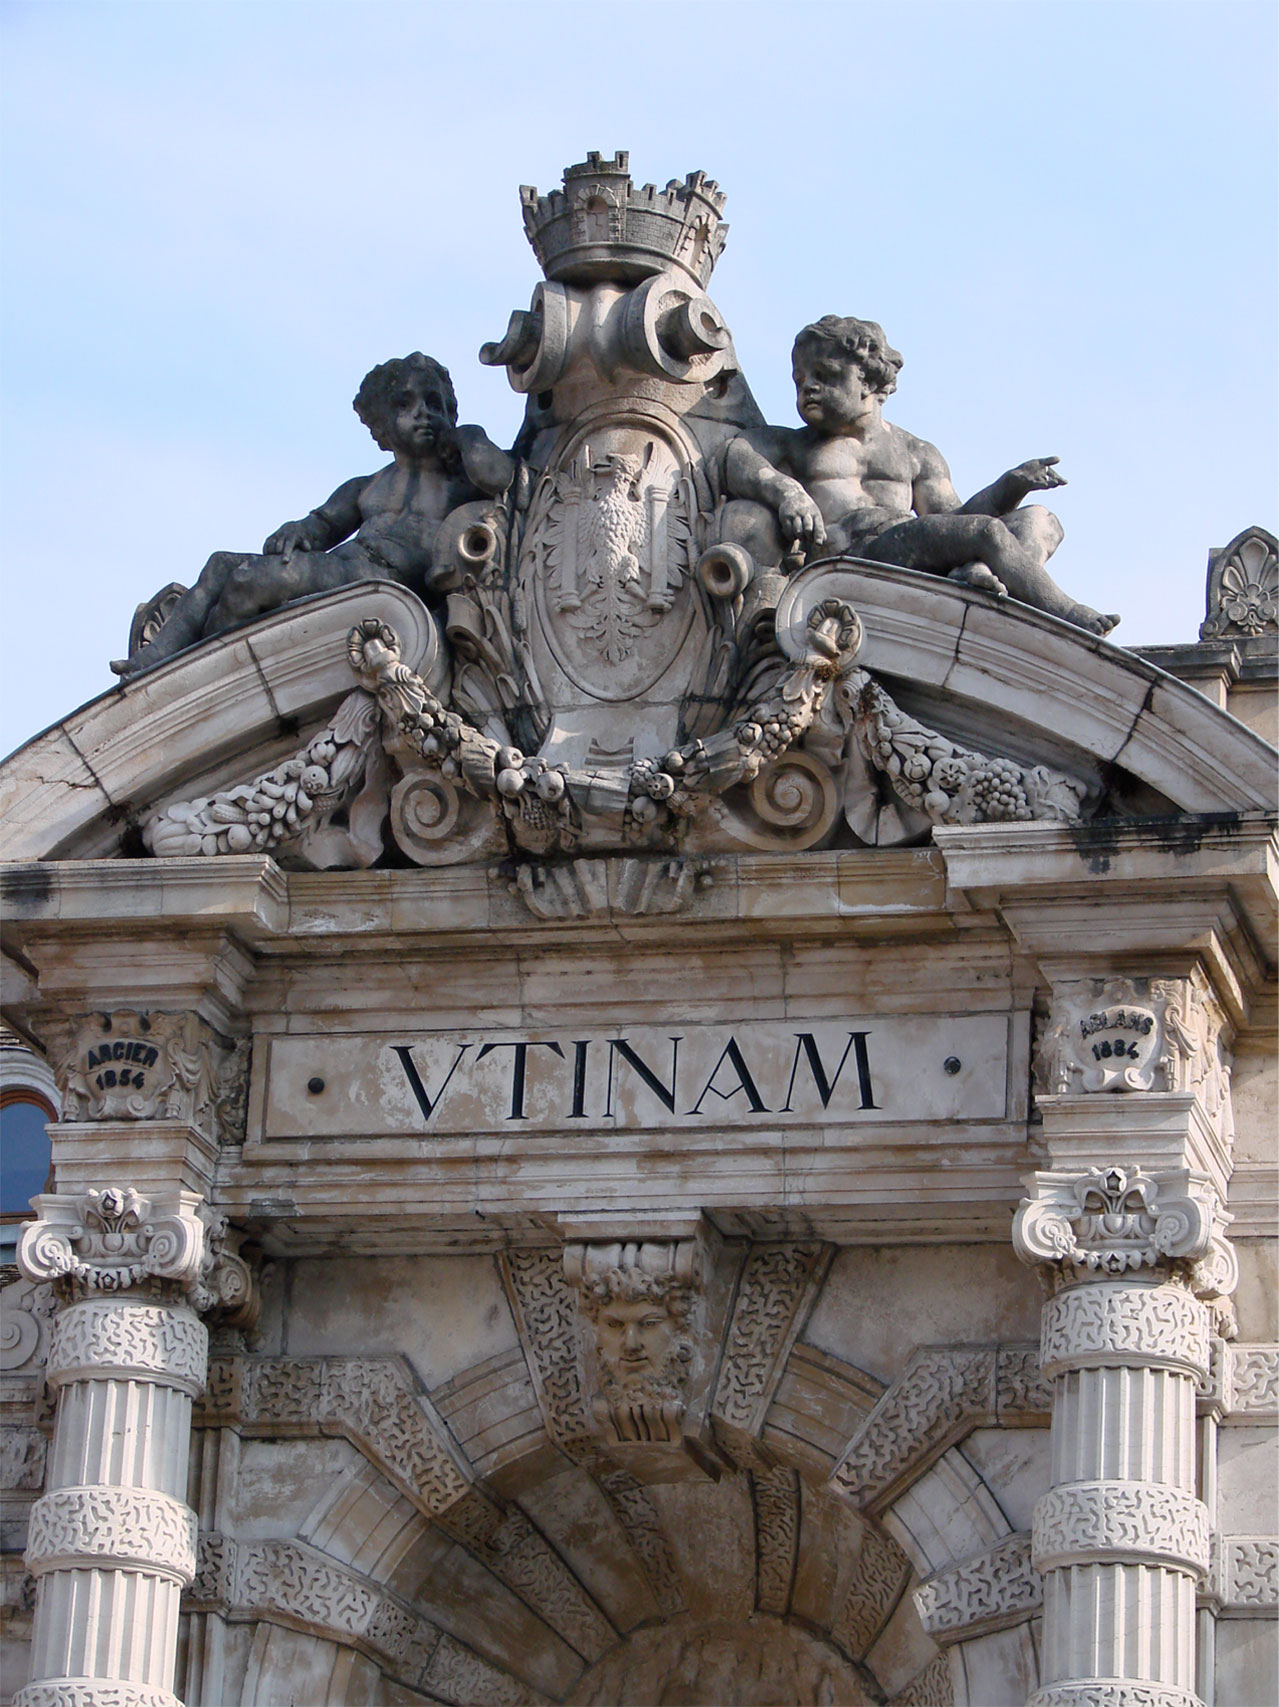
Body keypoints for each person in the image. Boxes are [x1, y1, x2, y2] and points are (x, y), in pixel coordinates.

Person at [111, 353, 514, 678]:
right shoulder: (367, 486)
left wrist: (469, 436)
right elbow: (319, 526)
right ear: (382, 426)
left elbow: (500, 476)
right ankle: (159, 659)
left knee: (249, 582)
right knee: (221, 566)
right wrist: (297, 530)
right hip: (336, 570)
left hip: (377, 584)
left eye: (436, 404)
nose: (425, 413)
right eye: (406, 404)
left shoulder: (457, 479)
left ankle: (206, 675)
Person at [722, 315, 1118, 635]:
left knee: (1041, 520)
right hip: (858, 557)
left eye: (824, 375)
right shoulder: (794, 445)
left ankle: (979, 576)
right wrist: (787, 492)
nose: (808, 387)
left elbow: (954, 519)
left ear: (868, 380)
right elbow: (736, 456)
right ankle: (1066, 612)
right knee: (986, 535)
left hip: (913, 551)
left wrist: (1010, 484)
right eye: (800, 380)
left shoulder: (915, 453)